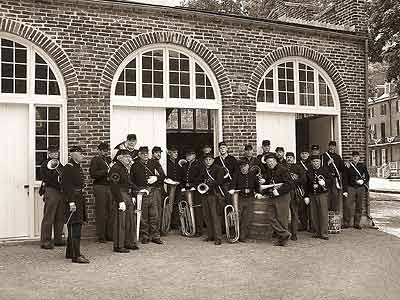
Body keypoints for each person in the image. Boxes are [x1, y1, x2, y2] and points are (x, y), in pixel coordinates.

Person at [257, 152, 292, 246]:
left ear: (276, 161)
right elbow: (269, 183)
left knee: (282, 218)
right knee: (270, 216)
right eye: (268, 162)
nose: (270, 163)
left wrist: (279, 191)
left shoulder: (283, 170)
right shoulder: (269, 171)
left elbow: (289, 184)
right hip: (273, 196)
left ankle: (283, 240)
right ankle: (284, 234)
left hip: (282, 197)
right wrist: (263, 186)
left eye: (271, 161)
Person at [130, 146, 163, 244]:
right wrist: (133, 194)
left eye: (146, 153)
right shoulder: (134, 165)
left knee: (155, 215)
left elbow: (163, 176)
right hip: (141, 192)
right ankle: (145, 235)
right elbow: (131, 181)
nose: (145, 155)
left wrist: (156, 178)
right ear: (139, 154)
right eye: (143, 154)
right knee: (143, 215)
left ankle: (155, 236)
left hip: (153, 191)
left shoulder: (154, 163)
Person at [62, 146, 89, 264]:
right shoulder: (69, 168)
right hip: (73, 199)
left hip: (79, 198)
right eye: (79, 153)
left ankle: (70, 252)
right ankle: (76, 255)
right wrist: (71, 202)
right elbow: (67, 186)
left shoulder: (77, 167)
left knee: (75, 225)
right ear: (72, 154)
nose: (82, 155)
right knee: (74, 227)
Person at [109, 150, 139, 253]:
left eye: (129, 156)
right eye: (126, 156)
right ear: (119, 157)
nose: (128, 159)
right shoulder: (115, 168)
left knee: (129, 220)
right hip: (120, 195)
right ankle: (118, 245)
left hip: (127, 194)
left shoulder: (124, 168)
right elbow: (114, 185)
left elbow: (129, 182)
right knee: (120, 221)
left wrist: (137, 191)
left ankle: (128, 242)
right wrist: (119, 201)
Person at [39, 145, 65, 249]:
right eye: (53, 153)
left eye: (56, 152)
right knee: (49, 216)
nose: (55, 154)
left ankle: (58, 239)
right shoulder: (45, 164)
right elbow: (46, 178)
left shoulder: (59, 164)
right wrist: (57, 181)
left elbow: (63, 175)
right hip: (51, 190)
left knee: (60, 216)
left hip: (60, 192)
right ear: (49, 153)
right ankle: (45, 241)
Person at [303, 155, 333, 240]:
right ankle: (317, 231)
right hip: (312, 194)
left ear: (320, 162)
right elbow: (306, 184)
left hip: (322, 194)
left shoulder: (325, 170)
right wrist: (306, 195)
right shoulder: (309, 171)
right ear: (311, 162)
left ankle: (324, 233)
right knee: (314, 214)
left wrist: (325, 182)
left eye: (317, 161)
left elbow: (331, 181)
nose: (315, 163)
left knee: (323, 214)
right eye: (314, 161)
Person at [228, 160, 258, 242]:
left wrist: (258, 193)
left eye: (245, 166)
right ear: (240, 168)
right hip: (239, 198)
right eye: (242, 167)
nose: (244, 168)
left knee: (247, 218)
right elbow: (232, 186)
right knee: (237, 217)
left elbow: (257, 186)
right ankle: (235, 235)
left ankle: (243, 236)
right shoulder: (236, 175)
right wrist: (232, 190)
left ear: (248, 166)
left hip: (250, 198)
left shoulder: (253, 175)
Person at [89, 142, 113, 243]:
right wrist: (106, 171)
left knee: (110, 211)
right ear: (99, 150)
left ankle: (109, 234)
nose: (105, 152)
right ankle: (101, 235)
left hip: (109, 186)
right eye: (103, 150)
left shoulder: (108, 160)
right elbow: (93, 174)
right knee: (101, 212)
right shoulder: (95, 160)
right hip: (100, 187)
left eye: (106, 150)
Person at [199, 153, 225, 245]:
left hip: (214, 195)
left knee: (215, 216)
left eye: (210, 159)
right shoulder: (203, 169)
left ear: (213, 160)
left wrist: (208, 185)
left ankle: (218, 238)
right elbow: (199, 180)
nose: (208, 161)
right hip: (205, 194)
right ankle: (210, 235)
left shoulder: (218, 169)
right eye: (206, 160)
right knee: (207, 216)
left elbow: (219, 181)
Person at [342, 151, 370, 229]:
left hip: (360, 188)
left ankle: (357, 223)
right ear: (352, 157)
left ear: (359, 158)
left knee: (359, 205)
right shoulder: (348, 166)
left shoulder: (362, 166)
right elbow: (345, 178)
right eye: (354, 156)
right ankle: (346, 222)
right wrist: (345, 190)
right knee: (348, 205)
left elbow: (367, 176)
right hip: (351, 187)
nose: (355, 158)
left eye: (357, 156)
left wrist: (363, 181)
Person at [181, 149, 203, 237]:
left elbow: (201, 177)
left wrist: (194, 184)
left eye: (190, 155)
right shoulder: (185, 165)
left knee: (197, 210)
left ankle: (199, 230)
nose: (188, 157)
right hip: (186, 189)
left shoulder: (199, 165)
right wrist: (183, 186)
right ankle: (190, 227)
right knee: (187, 209)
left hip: (195, 189)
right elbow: (182, 177)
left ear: (194, 156)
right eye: (187, 155)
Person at [286, 152, 306, 241]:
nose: (289, 159)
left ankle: (294, 233)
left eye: (290, 157)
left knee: (294, 213)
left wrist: (295, 180)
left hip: (294, 192)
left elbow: (304, 179)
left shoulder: (298, 167)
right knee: (283, 213)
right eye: (287, 157)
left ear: (293, 159)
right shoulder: (283, 167)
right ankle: (283, 232)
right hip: (285, 193)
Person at [321, 141, 344, 213]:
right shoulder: (324, 156)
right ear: (328, 146)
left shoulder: (338, 157)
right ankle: (326, 210)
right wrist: (328, 163)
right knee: (327, 194)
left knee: (335, 194)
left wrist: (346, 163)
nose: (332, 147)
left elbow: (341, 168)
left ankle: (334, 210)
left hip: (334, 178)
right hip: (327, 178)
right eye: (330, 146)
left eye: (333, 146)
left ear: (335, 147)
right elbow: (321, 168)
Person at [148, 146, 167, 234]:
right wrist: (159, 178)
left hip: (159, 189)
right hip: (155, 190)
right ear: (152, 154)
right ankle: (156, 231)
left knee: (158, 211)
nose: (159, 154)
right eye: (156, 152)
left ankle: (158, 229)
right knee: (156, 212)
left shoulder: (156, 162)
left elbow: (162, 176)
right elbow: (162, 176)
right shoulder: (152, 163)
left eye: (160, 152)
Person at [166, 145, 183, 230]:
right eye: (174, 152)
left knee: (177, 204)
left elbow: (181, 175)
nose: (176, 154)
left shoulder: (178, 163)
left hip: (178, 187)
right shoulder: (166, 163)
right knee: (169, 204)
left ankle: (175, 223)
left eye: (177, 152)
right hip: (170, 186)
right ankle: (167, 223)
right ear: (169, 153)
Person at [297, 148, 312, 232]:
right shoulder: (298, 164)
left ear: (308, 154)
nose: (304, 155)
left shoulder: (311, 163)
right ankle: (303, 225)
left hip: (309, 187)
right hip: (301, 187)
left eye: (306, 153)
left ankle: (312, 225)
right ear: (300, 155)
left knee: (311, 208)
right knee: (301, 207)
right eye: (302, 153)